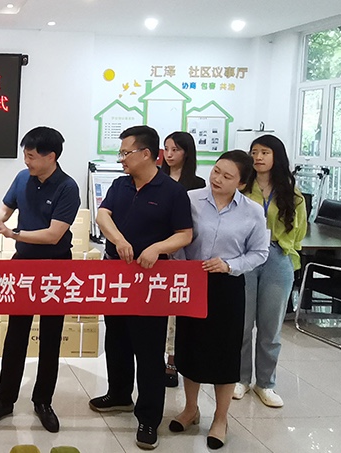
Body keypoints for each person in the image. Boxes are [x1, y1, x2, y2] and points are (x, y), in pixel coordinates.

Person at [90, 125, 193, 450]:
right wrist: (119, 240)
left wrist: (157, 248)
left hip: (151, 278)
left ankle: (149, 418)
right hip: (116, 273)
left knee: (148, 349)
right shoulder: (120, 185)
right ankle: (119, 394)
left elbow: (185, 234)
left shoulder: (172, 191)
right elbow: (103, 215)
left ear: (146, 154)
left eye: (126, 153)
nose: (121, 158)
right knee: (116, 337)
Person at [0, 126, 80, 434]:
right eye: (25, 154)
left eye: (32, 156)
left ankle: (43, 402)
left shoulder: (67, 187)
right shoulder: (23, 178)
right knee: (15, 334)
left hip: (55, 267)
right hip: (23, 266)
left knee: (50, 337)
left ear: (51, 157)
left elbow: (53, 235)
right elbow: (6, 208)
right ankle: (4, 400)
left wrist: (13, 234)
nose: (27, 161)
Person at [170, 151, 269, 449]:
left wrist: (229, 265)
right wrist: (182, 264)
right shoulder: (190, 199)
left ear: (242, 183)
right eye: (216, 171)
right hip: (192, 282)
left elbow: (259, 253)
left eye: (227, 176)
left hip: (227, 287)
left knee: (224, 354)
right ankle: (191, 409)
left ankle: (220, 418)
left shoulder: (252, 212)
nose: (217, 179)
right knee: (190, 347)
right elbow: (178, 236)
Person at [235, 135, 307, 408]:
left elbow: (299, 230)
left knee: (270, 327)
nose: (258, 157)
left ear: (277, 156)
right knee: (242, 324)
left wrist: (285, 252)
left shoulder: (291, 191)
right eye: (254, 152)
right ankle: (241, 379)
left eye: (265, 152)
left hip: (277, 256)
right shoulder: (243, 187)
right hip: (245, 256)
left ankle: (265, 383)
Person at [159, 131, 206, 388]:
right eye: (166, 148)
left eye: (175, 149)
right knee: (158, 308)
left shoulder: (197, 184)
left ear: (186, 153)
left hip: (184, 254)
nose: (169, 154)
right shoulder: (157, 177)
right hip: (158, 250)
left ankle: (172, 361)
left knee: (177, 312)